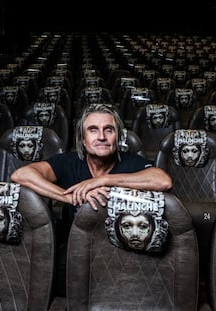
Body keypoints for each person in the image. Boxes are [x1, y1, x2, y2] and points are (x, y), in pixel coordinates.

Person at [11, 103, 172, 295]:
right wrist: (70, 197)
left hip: (123, 249)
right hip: (76, 249)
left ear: (118, 137)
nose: (102, 137)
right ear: (83, 139)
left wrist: (103, 181)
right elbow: (21, 175)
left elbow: (163, 180)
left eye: (109, 130)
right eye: (93, 130)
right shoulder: (68, 162)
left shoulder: (132, 162)